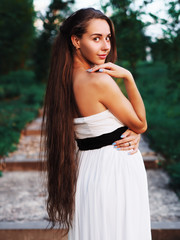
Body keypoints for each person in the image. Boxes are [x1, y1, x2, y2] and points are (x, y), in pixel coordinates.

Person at [41, 8, 152, 240]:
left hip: (88, 168)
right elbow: (141, 123)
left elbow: (101, 128)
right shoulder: (98, 80)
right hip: (114, 168)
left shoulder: (63, 79)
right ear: (75, 40)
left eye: (108, 37)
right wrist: (129, 78)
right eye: (96, 38)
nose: (106, 46)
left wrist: (125, 131)